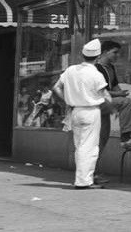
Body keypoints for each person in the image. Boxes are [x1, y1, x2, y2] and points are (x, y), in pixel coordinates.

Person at [52, 39, 108, 190]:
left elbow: (56, 87)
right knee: (89, 147)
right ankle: (84, 181)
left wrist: (68, 101)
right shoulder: (96, 74)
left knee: (80, 146)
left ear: (83, 55)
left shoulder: (70, 70)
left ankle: (83, 179)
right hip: (91, 111)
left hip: (75, 111)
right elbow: (105, 95)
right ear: (98, 57)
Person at [95, 40, 131, 148]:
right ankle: (125, 137)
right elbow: (98, 91)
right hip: (96, 103)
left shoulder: (111, 67)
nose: (118, 55)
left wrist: (122, 93)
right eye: (115, 52)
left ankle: (92, 163)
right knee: (126, 102)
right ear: (105, 52)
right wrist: (118, 94)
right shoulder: (95, 68)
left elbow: (115, 86)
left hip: (105, 104)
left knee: (103, 138)